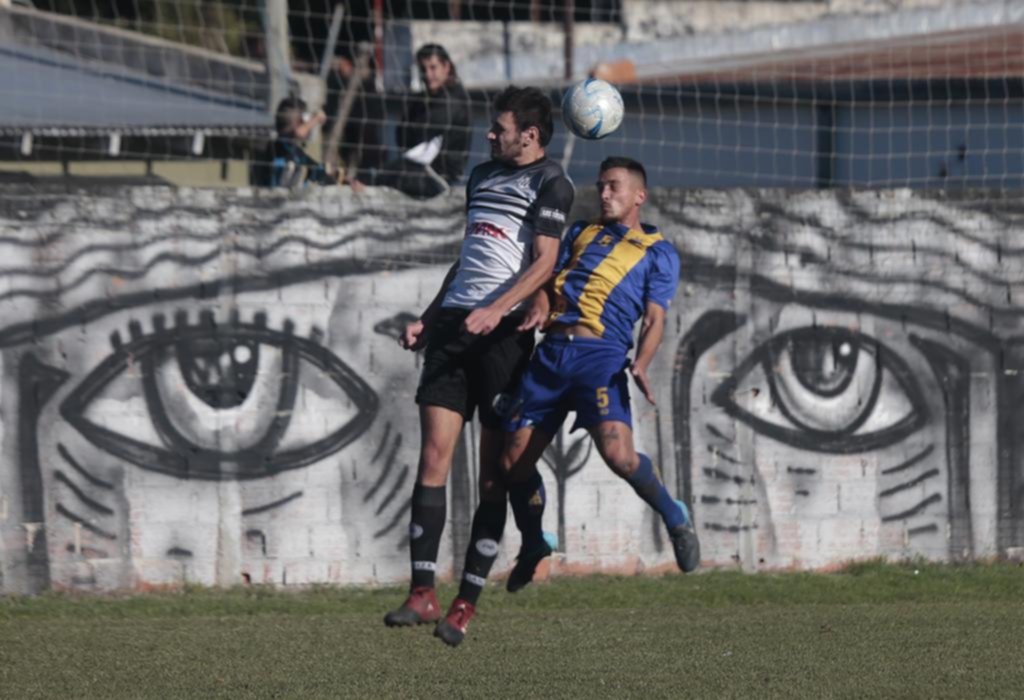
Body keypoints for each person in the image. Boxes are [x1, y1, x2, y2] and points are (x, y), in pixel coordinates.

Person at [433, 156, 701, 647]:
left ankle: (674, 514)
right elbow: (546, 283)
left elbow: (656, 318)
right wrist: (538, 304)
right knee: (511, 464)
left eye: (614, 187)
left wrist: (642, 362)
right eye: (600, 186)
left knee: (619, 456)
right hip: (552, 355)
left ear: (639, 195)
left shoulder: (657, 251)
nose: (604, 194)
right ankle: (535, 542)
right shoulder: (578, 233)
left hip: (599, 359)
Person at [384, 86, 575, 629]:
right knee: (432, 460)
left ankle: (466, 602)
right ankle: (422, 593)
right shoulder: (481, 176)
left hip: (502, 339)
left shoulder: (552, 184)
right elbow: (468, 258)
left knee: (492, 478)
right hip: (453, 327)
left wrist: (498, 310)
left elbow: (544, 263)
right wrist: (428, 315)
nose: (489, 135)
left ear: (530, 136)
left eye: (500, 128)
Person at [357, 44, 471, 199]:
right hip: (417, 170)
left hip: (437, 178)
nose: (428, 74)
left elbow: (419, 132)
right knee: (376, 177)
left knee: (375, 180)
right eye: (423, 69)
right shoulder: (423, 99)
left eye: (433, 68)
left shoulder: (454, 100)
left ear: (446, 67)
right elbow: (402, 135)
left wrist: (413, 119)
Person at [323, 50, 386, 180]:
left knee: (362, 152)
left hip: (364, 119)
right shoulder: (343, 81)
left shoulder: (367, 78)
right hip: (350, 121)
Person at [250, 97, 335, 188]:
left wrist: (340, 176)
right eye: (304, 120)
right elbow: (298, 133)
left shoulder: (295, 151)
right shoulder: (279, 147)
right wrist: (315, 120)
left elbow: (318, 170)